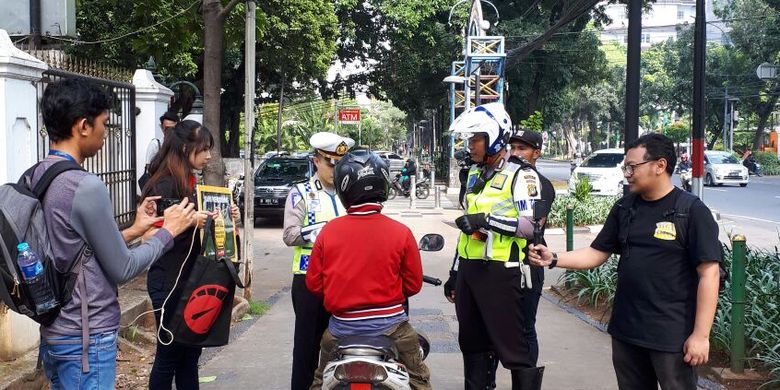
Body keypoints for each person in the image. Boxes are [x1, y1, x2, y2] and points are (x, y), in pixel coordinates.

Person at [34, 78, 196, 389]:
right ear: (83, 125)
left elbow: (74, 250)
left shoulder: (38, 174)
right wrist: (169, 232)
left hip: (55, 333)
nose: (106, 133)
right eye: (104, 124)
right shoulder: (84, 185)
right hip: (87, 337)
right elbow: (123, 268)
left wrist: (134, 230)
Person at [529, 133, 722, 390]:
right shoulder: (625, 207)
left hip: (671, 335)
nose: (627, 173)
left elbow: (710, 274)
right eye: (625, 167)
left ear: (660, 165)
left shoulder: (691, 211)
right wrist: (553, 258)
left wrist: (700, 335)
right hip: (627, 330)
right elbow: (597, 253)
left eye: (632, 166)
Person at [306, 152, 431, 390]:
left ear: (344, 189)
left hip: (340, 330)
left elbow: (314, 285)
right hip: (394, 329)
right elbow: (413, 286)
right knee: (419, 381)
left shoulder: (328, 232)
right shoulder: (401, 232)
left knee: (320, 383)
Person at [445, 103, 545, 390]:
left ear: (495, 138)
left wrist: (487, 220)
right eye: (470, 139)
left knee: (514, 349)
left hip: (503, 273)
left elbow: (531, 227)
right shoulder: (475, 174)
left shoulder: (522, 176)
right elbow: (467, 229)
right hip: (470, 271)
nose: (471, 145)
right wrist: (455, 272)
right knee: (472, 345)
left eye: (476, 139)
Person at [139, 119, 240, 390]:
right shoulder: (161, 186)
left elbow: (207, 228)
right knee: (168, 354)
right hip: (169, 283)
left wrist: (227, 219)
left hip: (194, 280)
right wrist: (188, 221)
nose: (208, 156)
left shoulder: (192, 183)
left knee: (191, 353)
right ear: (185, 148)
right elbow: (147, 235)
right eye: (204, 149)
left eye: (209, 149)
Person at [282, 131, 355, 390]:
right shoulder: (300, 192)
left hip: (344, 279)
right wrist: (324, 231)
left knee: (343, 346)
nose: (335, 170)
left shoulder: (350, 193)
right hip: (309, 282)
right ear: (316, 160)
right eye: (330, 164)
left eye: (341, 164)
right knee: (307, 348)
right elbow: (290, 235)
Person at [507, 129, 556, 366]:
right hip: (503, 262)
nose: (515, 153)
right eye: (512, 148)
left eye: (522, 149)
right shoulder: (505, 178)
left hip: (529, 262)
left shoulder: (540, 184)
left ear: (536, 153)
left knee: (525, 329)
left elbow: (532, 227)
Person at [139, 111, 179, 191]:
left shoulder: (181, 145)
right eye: (167, 128)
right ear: (161, 127)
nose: (170, 132)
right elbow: (148, 167)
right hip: (159, 187)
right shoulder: (155, 144)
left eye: (173, 128)